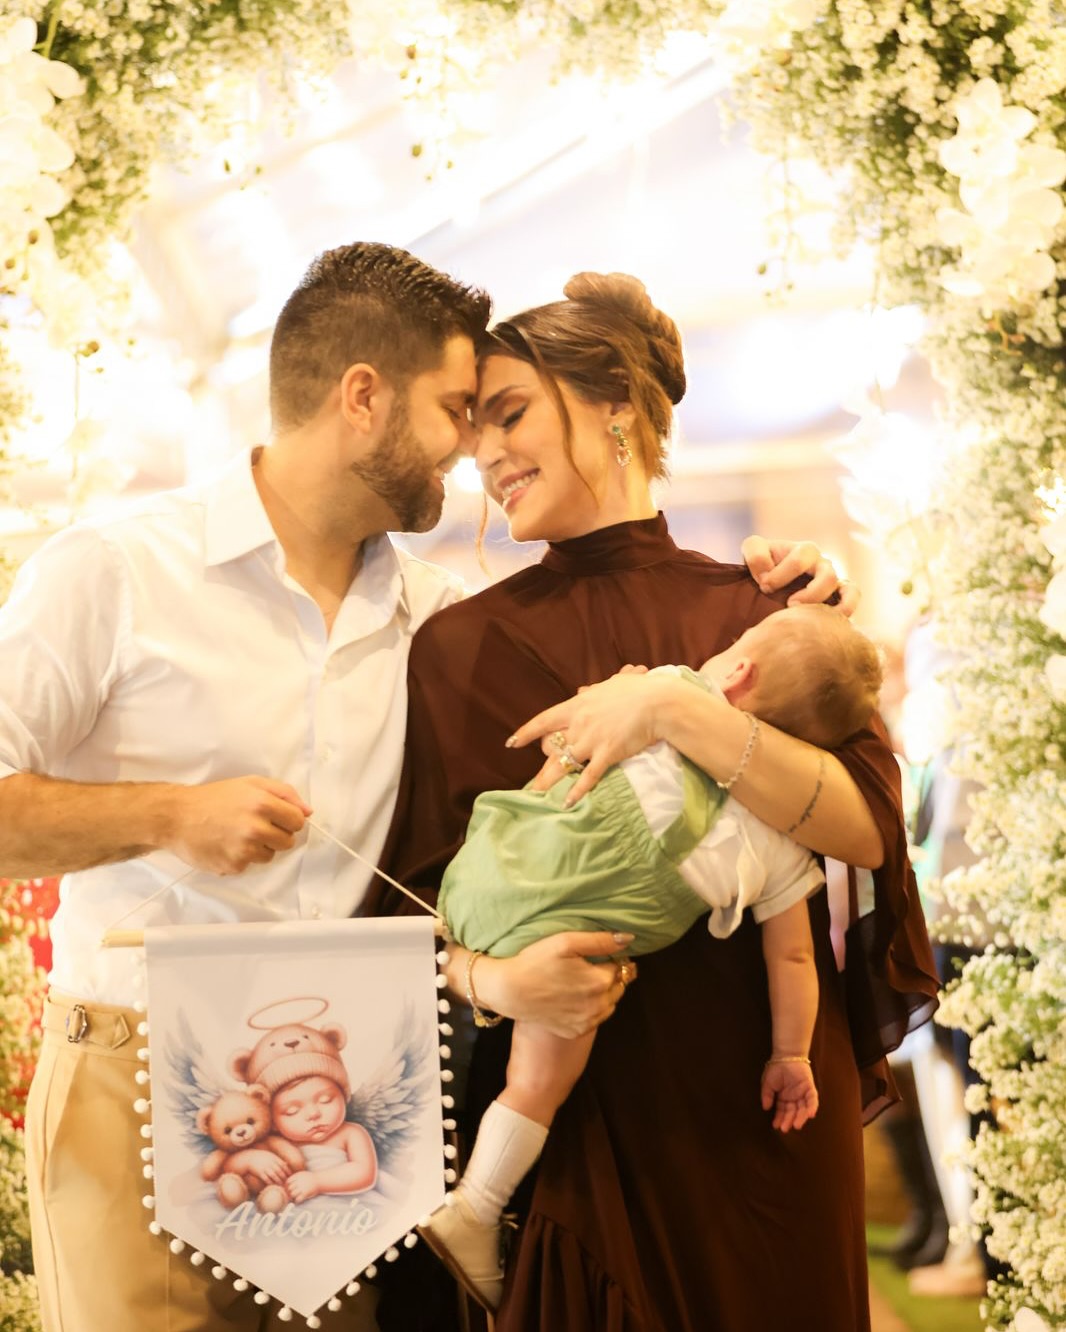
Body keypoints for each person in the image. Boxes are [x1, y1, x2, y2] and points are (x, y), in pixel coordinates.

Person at [0, 239, 854, 1332]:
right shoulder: (113, 572)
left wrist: (793, 609)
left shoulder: (437, 619)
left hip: (354, 1092)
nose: (469, 448)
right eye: (457, 408)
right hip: (139, 1072)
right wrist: (169, 814)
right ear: (364, 397)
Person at [371, 271, 940, 1332]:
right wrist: (495, 979)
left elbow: (865, 832)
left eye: (511, 412)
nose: (484, 453)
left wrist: (678, 710)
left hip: (765, 1119)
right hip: (579, 1113)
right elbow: (408, 902)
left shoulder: (770, 610)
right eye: (472, 427)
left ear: (614, 406)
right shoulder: (458, 650)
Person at [419, 603, 885, 1310]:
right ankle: (475, 1209)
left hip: (486, 868)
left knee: (560, 792)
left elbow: (568, 744)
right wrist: (790, 1055)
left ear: (737, 670)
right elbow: (794, 958)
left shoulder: (660, 691)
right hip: (557, 940)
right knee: (540, 1081)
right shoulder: (779, 832)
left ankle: (476, 1205)